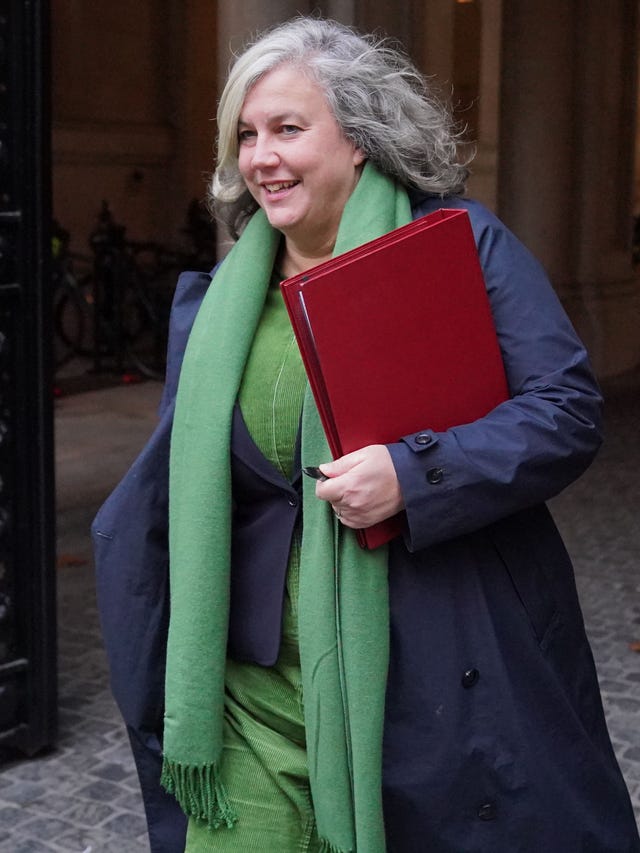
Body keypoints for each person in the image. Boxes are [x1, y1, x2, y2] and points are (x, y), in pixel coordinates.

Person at [92, 16, 640, 853]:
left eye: (287, 128)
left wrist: (416, 472)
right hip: (249, 692)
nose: (260, 156)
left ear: (359, 140)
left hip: (415, 679)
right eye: (246, 134)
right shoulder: (218, 303)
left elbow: (565, 408)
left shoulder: (457, 245)